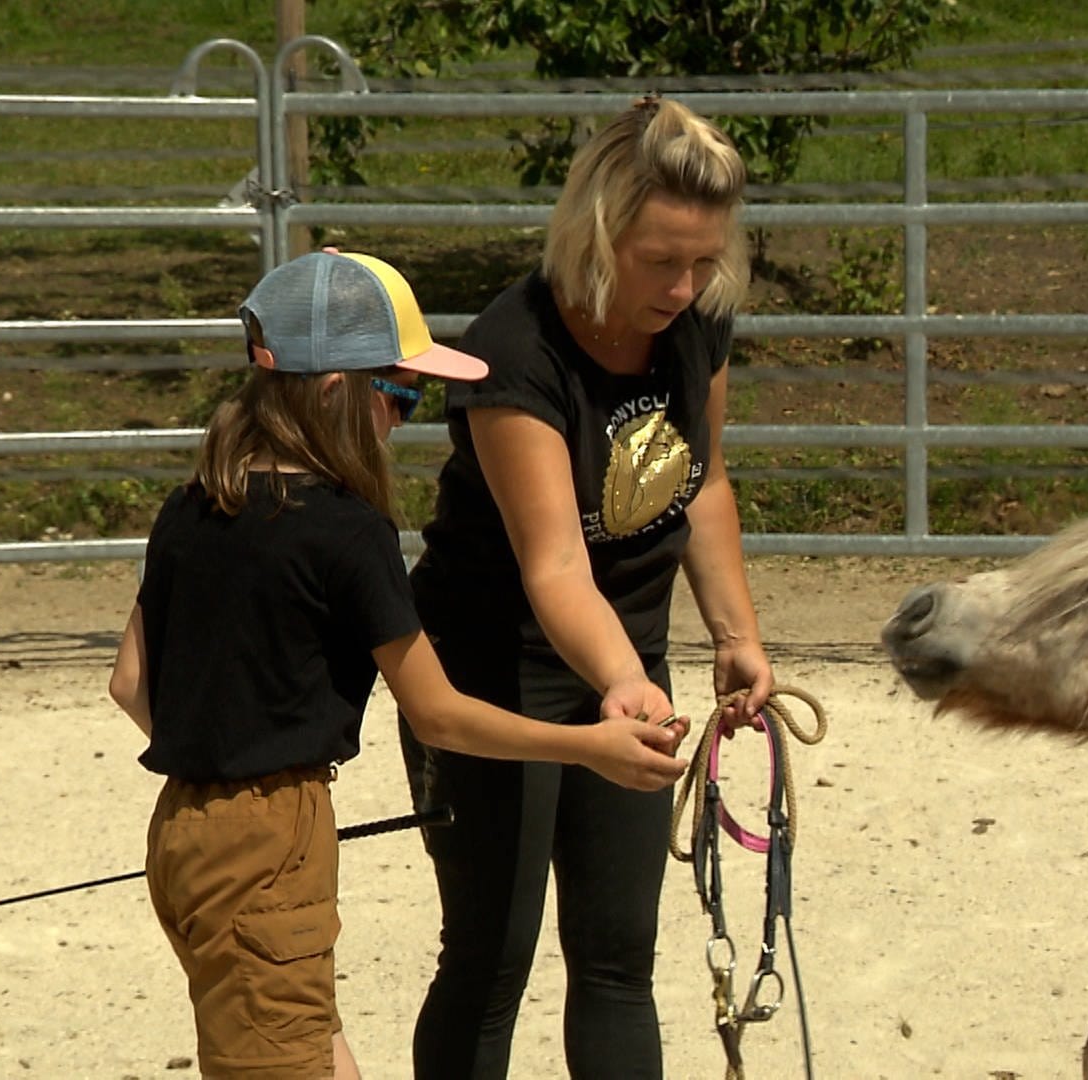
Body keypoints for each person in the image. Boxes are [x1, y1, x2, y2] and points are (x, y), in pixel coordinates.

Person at [108, 249, 690, 1080]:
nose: (407, 418)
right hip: (274, 840)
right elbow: (439, 715)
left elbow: (130, 681)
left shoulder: (196, 501)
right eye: (402, 392)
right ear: (338, 392)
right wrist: (590, 748)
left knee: (315, 1050)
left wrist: (221, 766)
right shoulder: (348, 531)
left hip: (182, 830)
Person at [398, 97, 775, 1078]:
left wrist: (735, 632)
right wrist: (622, 681)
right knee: (491, 959)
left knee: (617, 961)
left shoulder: (698, 325)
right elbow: (555, 562)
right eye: (662, 261)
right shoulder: (512, 356)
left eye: (704, 261)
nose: (685, 286)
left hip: (624, 656)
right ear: (599, 232)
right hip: (492, 668)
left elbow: (707, 482)